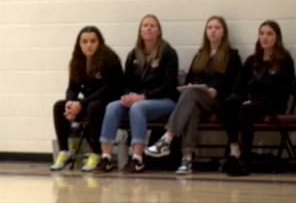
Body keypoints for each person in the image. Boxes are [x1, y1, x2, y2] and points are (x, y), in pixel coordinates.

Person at [144, 16, 241, 175]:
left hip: (219, 101)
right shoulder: (200, 54)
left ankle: (167, 138)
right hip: (198, 98)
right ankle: (187, 159)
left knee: (191, 96)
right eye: (209, 28)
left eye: (217, 28)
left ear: (224, 32)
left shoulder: (232, 56)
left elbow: (234, 83)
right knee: (192, 106)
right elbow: (190, 79)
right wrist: (190, 86)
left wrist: (216, 91)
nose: (213, 31)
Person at [94, 14, 179, 173]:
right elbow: (125, 83)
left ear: (159, 31)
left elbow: (168, 85)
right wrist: (127, 96)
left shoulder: (168, 53)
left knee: (137, 108)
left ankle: (137, 158)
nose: (148, 28)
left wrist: (143, 97)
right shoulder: (133, 54)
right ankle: (105, 157)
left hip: (164, 100)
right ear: (140, 31)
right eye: (145, 25)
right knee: (112, 107)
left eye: (152, 26)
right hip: (138, 100)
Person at [220, 20, 294, 177]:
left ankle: (245, 161)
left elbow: (282, 90)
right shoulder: (252, 60)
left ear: (276, 37)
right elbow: (239, 86)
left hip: (272, 102)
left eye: (269, 34)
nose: (265, 37)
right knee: (228, 104)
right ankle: (235, 149)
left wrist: (253, 102)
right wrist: (242, 98)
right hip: (250, 100)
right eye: (262, 33)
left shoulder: (284, 60)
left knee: (246, 109)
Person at [50, 25, 123, 173]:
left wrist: (81, 104)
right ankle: (64, 151)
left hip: (109, 100)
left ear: (99, 42)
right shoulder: (77, 61)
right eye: (85, 41)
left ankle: (97, 153)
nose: (88, 45)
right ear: (79, 44)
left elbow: (107, 89)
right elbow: (72, 87)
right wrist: (70, 101)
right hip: (87, 101)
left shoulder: (110, 59)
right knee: (59, 106)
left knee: (94, 107)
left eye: (92, 41)